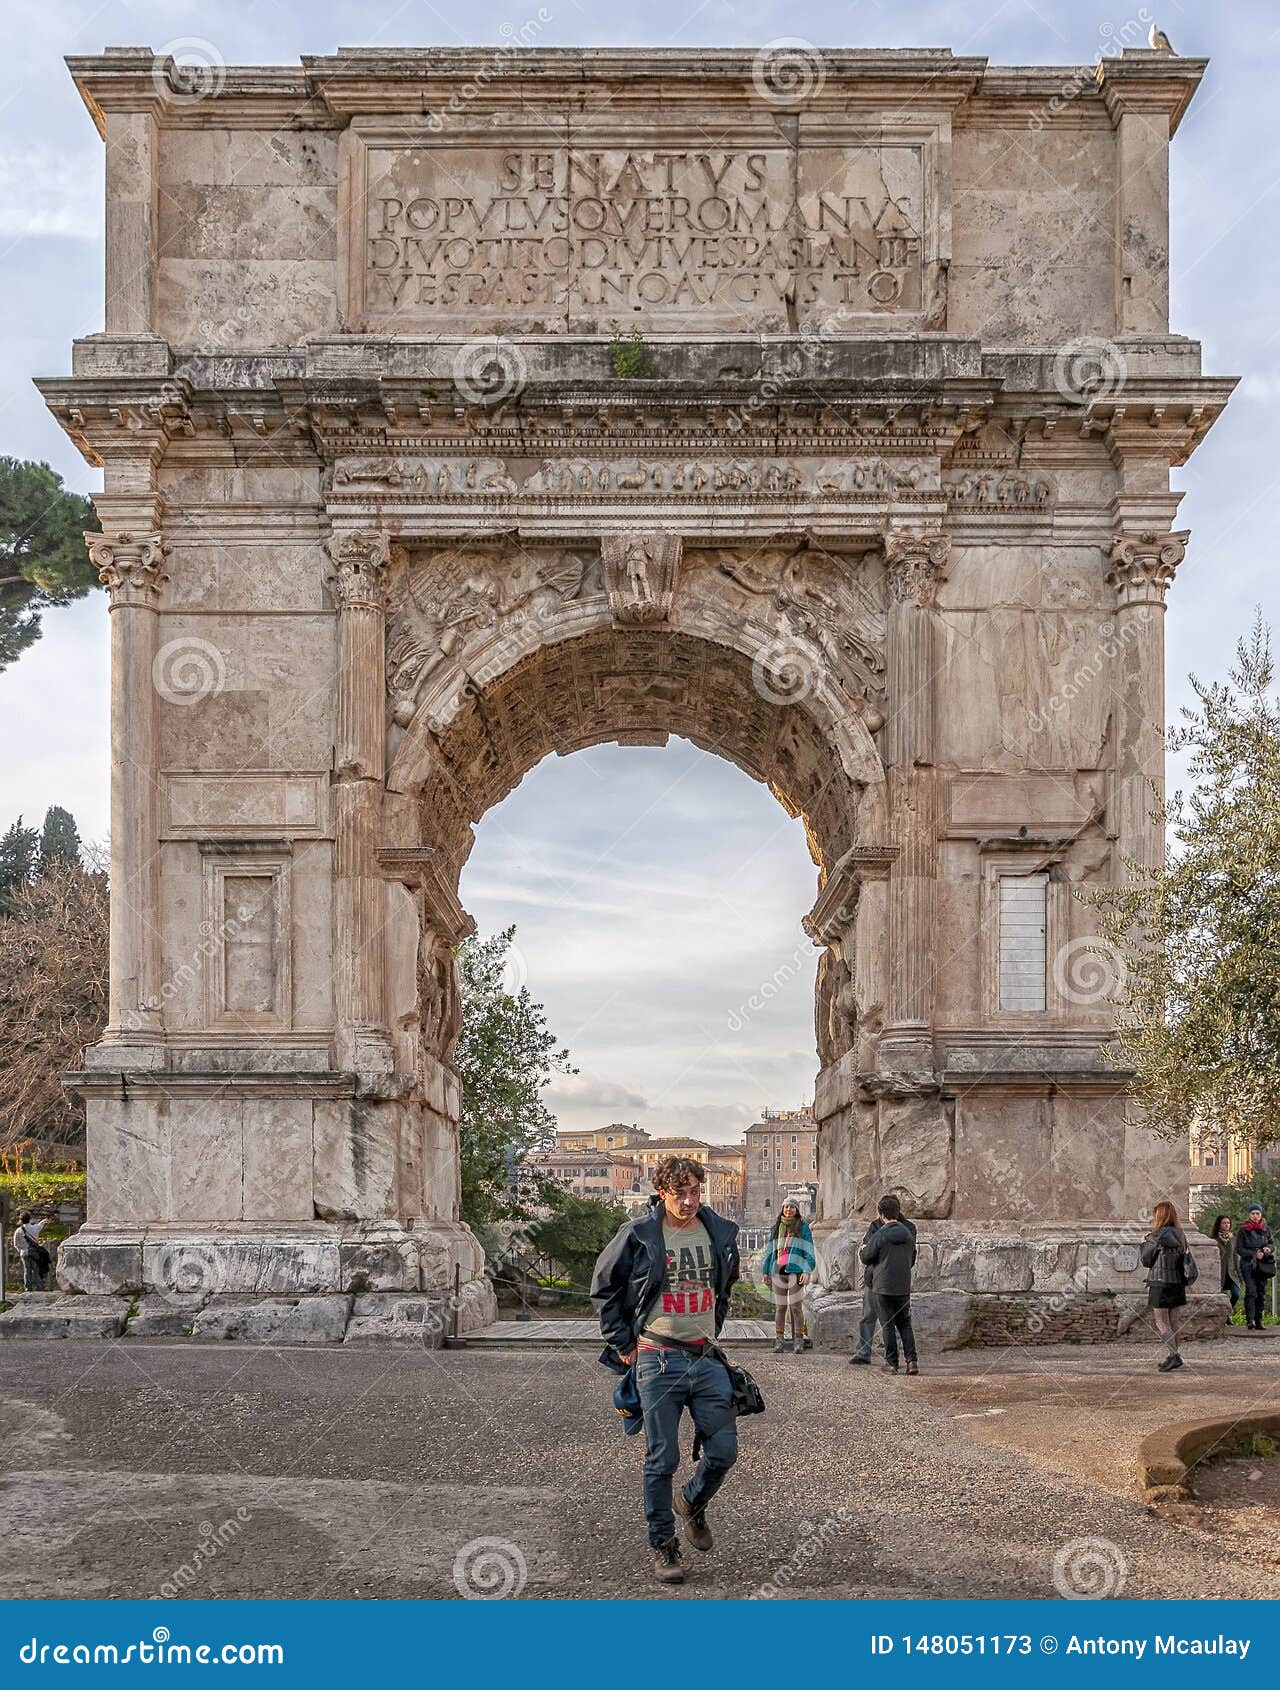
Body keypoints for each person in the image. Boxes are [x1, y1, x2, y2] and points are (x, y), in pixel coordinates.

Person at [591, 1154, 742, 1586]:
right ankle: (663, 1545)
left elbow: (724, 1286)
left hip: (706, 1356)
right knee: (662, 1458)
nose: (690, 1200)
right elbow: (604, 1287)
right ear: (662, 1192)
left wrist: (714, 1327)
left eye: (696, 1191)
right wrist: (623, 1343)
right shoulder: (638, 1234)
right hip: (658, 1358)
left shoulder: (719, 1231)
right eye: (681, 1193)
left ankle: (692, 1502)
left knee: (724, 1450)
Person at [859, 1194, 918, 1375]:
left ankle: (891, 1363)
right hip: (902, 1285)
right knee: (905, 1324)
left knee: (888, 1324)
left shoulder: (880, 1233)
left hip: (882, 1285)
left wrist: (863, 1250)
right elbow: (912, 1258)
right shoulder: (908, 1233)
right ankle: (912, 1361)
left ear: (882, 1214)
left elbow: (866, 1256)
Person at [1141, 1200, 1190, 1370]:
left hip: (1160, 1282)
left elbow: (1146, 1261)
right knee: (1174, 1321)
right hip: (1178, 1282)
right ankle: (1173, 1355)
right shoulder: (1181, 1234)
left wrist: (1143, 1243)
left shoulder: (1156, 1235)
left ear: (1159, 1215)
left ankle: (1174, 1355)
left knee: (1162, 1322)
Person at [761, 1199, 814, 1353]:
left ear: (796, 1210)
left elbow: (809, 1251)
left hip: (795, 1272)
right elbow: (769, 1251)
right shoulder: (776, 1228)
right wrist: (765, 1271)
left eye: (792, 1207)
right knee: (780, 1308)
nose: (788, 1209)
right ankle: (779, 1340)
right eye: (786, 1207)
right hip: (778, 1272)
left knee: (796, 1307)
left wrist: (806, 1270)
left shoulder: (803, 1228)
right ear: (782, 1208)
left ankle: (798, 1341)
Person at [848, 1212, 883, 1365]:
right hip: (873, 1278)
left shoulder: (906, 1228)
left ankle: (892, 1356)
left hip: (887, 1279)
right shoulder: (875, 1226)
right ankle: (864, 1352)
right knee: (867, 1316)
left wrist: (871, 1250)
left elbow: (867, 1252)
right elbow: (866, 1253)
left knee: (891, 1319)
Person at [1236, 1204, 1276, 1332]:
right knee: (1251, 1292)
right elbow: (1240, 1249)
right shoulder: (1242, 1230)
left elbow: (1271, 1243)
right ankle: (1250, 1320)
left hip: (1262, 1265)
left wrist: (1268, 1249)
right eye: (1253, 1213)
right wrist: (1254, 1254)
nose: (1255, 1216)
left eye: (1257, 1213)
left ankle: (1259, 1321)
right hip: (1248, 1264)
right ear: (1249, 1214)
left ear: (1261, 1215)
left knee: (1261, 1293)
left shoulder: (1266, 1229)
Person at [1210, 1213, 1241, 1312]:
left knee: (1236, 1294)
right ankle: (1224, 1317)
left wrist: (1239, 1274)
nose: (1227, 1225)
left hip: (1231, 1273)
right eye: (1224, 1223)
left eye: (1228, 1223)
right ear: (1219, 1224)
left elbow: (1235, 1257)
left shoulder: (1233, 1239)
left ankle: (1227, 1313)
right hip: (1220, 1273)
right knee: (1222, 1297)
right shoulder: (1213, 1240)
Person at [12, 1211, 49, 1292]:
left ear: (21, 1220)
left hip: (24, 1253)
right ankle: (39, 1287)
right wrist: (43, 1221)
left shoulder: (18, 1231)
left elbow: (15, 1244)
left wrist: (21, 1250)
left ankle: (28, 1288)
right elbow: (40, 1226)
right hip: (34, 1253)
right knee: (36, 1270)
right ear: (30, 1219)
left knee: (27, 1270)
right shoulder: (34, 1228)